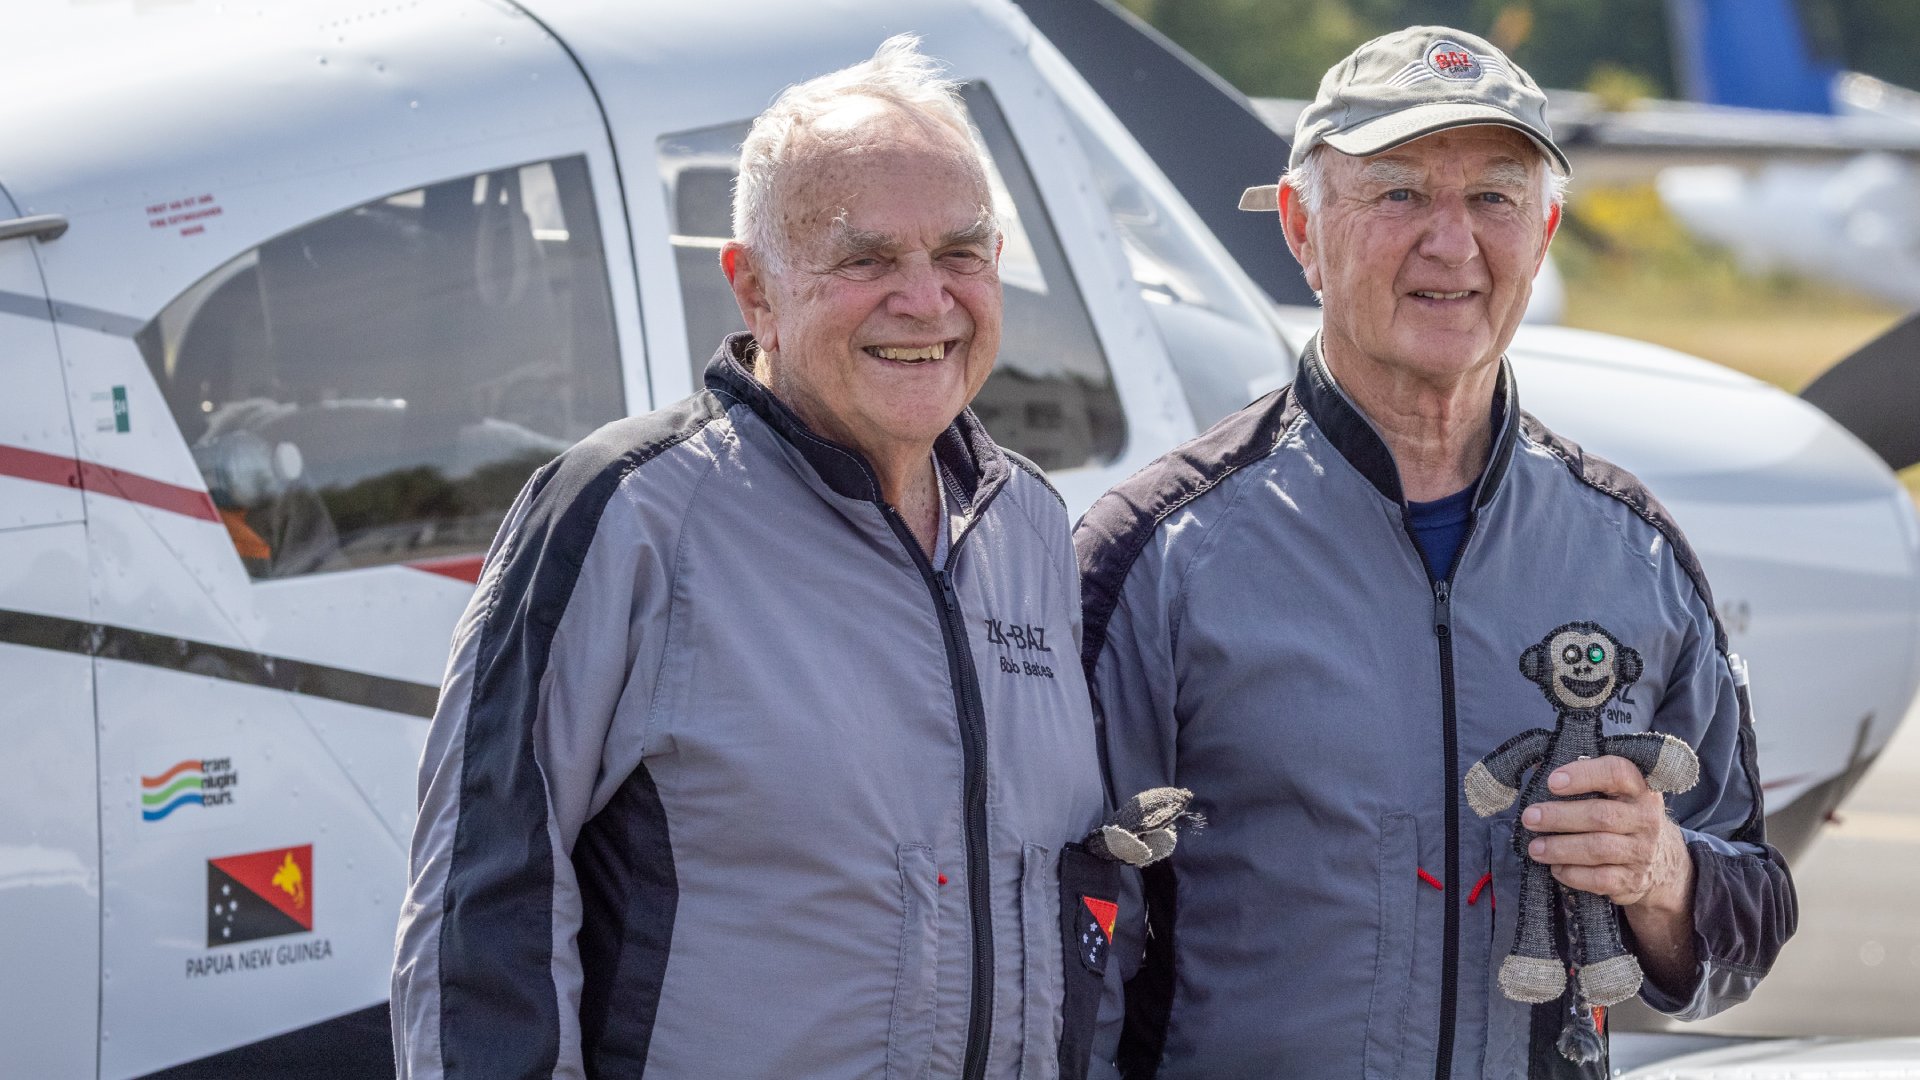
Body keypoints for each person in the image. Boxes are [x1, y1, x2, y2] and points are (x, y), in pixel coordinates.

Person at [1074, 25, 1796, 1079]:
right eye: (1400, 194)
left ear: (1544, 233)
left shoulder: (1633, 557)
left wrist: (1666, 876)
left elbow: (1753, 914)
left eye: (1494, 198)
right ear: (1302, 230)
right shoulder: (1155, 558)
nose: (1452, 244)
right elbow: (1065, 944)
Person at [393, 37, 1117, 1079]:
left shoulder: (1033, 528)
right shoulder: (627, 514)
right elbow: (480, 912)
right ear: (756, 291)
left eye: (960, 252)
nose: (925, 300)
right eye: (865, 260)